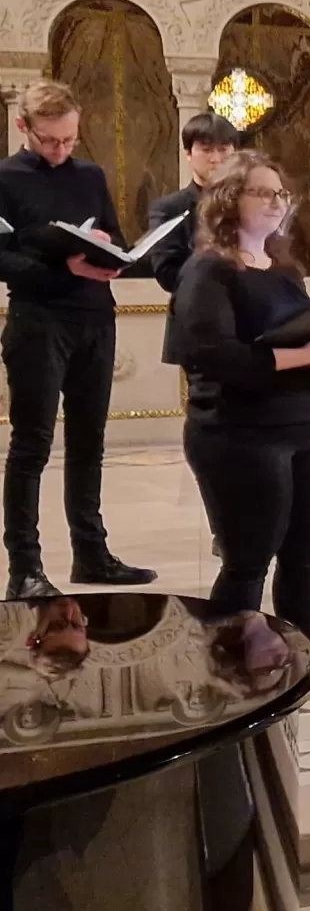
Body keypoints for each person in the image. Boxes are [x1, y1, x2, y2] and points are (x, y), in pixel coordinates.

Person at [173, 151, 310, 698]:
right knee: (247, 562)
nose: (275, 202)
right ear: (228, 200)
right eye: (261, 192)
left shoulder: (283, 270)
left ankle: (303, 667)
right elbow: (214, 357)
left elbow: (303, 346)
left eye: (280, 193)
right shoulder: (209, 270)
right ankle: (222, 677)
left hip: (301, 427)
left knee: (304, 558)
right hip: (237, 433)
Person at [0, 81, 156, 599]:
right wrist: (62, 266)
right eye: (49, 140)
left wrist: (110, 249)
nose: (60, 149)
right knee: (32, 446)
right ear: (23, 127)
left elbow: (114, 234)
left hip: (95, 317)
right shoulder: (5, 178)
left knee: (89, 443)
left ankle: (92, 555)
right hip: (38, 320)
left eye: (69, 139)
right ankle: (24, 568)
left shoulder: (89, 175)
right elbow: (2, 259)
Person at [151, 112, 244, 368]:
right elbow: (166, 272)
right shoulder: (170, 208)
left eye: (223, 149)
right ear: (188, 154)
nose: (216, 158)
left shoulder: (251, 201)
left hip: (251, 316)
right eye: (206, 150)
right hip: (199, 321)